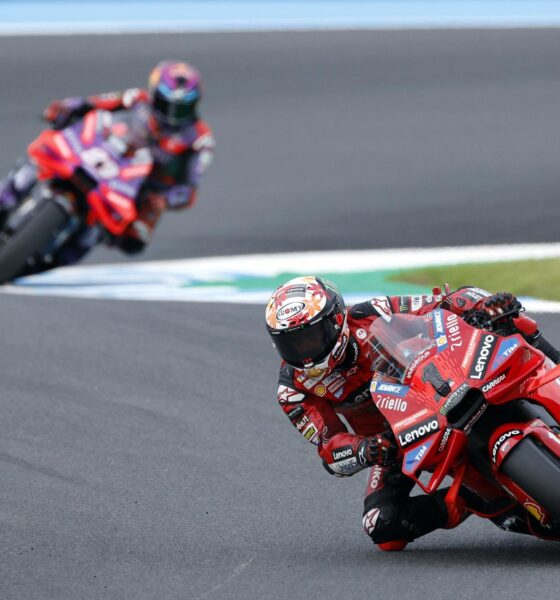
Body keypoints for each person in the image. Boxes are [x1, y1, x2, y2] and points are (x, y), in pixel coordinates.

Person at [265, 276, 560, 551]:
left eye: (310, 337)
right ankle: (470, 500)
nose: (304, 351)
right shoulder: (293, 390)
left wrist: (483, 305)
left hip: (445, 380)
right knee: (382, 526)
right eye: (291, 342)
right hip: (396, 442)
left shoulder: (371, 312)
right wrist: (366, 450)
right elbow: (329, 448)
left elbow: (439, 302)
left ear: (336, 320)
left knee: (511, 321)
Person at [0, 60, 214, 265]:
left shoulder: (199, 140)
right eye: (166, 104)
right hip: (105, 154)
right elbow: (94, 102)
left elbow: (188, 189)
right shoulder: (136, 99)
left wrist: (165, 199)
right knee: (35, 161)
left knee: (134, 241)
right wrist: (65, 107)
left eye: (182, 109)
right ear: (154, 94)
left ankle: (63, 255)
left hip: (140, 188)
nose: (172, 115)